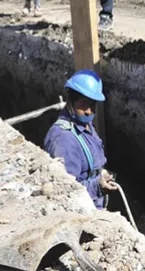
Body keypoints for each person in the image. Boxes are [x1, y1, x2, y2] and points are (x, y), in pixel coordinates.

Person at [43, 69, 116, 209]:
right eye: (83, 105)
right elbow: (67, 192)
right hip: (84, 211)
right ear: (70, 101)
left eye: (92, 105)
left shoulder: (84, 124)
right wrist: (98, 186)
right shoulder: (64, 140)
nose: (89, 111)